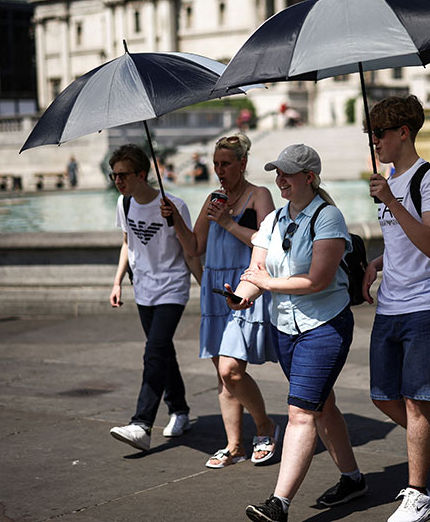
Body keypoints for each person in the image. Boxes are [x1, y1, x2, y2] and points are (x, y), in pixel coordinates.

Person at [231, 144, 366, 522]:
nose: (280, 180)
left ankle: (279, 503)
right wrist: (240, 297)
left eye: (287, 173)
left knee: (300, 413)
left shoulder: (328, 218)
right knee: (323, 406)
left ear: (309, 177)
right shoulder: (272, 220)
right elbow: (255, 272)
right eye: (277, 173)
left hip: (324, 326)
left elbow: (318, 280)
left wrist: (266, 284)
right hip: (285, 329)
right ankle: (353, 479)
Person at [363, 95, 430, 522]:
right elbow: (404, 243)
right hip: (391, 303)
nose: (375, 143)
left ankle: (418, 493)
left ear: (403, 132)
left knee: (415, 400)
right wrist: (377, 262)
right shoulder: (389, 178)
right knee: (383, 396)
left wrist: (390, 200)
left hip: (428, 304)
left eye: (380, 134)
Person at [159, 134, 280, 469]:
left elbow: (269, 242)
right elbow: (195, 246)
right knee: (223, 375)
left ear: (242, 163)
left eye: (225, 163)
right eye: (216, 164)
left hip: (243, 288)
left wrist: (227, 222)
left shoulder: (259, 196)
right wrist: (176, 222)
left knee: (232, 370)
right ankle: (234, 444)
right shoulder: (213, 198)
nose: (219, 170)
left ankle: (265, 427)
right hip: (215, 287)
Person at [107, 144, 201, 452]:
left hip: (172, 287)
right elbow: (127, 243)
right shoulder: (124, 204)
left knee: (154, 351)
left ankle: (142, 423)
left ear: (141, 174)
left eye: (123, 175)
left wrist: (205, 285)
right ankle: (180, 410)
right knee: (162, 352)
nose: (118, 181)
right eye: (114, 175)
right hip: (143, 288)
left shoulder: (174, 205)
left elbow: (190, 249)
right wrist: (117, 281)